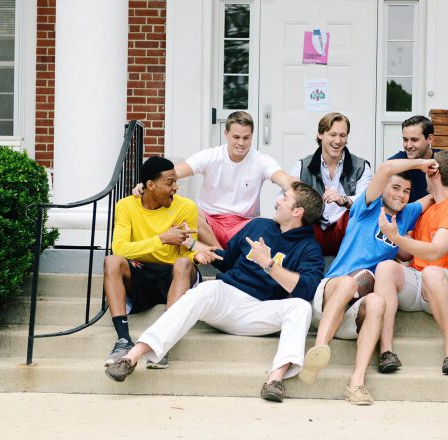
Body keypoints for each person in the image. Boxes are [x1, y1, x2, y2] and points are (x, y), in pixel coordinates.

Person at [104, 182, 325, 403]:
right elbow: (227, 259)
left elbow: (306, 288)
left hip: (260, 311)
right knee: (204, 290)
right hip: (227, 298)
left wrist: (269, 265)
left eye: (284, 198)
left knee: (301, 307)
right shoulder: (259, 226)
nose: (277, 201)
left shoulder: (309, 248)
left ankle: (276, 379)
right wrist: (192, 244)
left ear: (297, 212)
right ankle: (131, 358)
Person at [298, 158, 437, 405]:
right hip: (330, 295)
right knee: (353, 282)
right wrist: (422, 163)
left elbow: (433, 197)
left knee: (376, 302)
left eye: (406, 191)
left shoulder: (408, 214)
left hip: (354, 313)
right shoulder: (367, 207)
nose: (401, 195)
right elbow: (385, 169)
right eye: (395, 188)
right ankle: (319, 350)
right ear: (382, 188)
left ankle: (357, 384)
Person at [103, 157, 218, 369]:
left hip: (173, 275)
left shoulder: (186, 207)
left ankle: (163, 341)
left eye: (176, 182)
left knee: (183, 263)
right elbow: (119, 248)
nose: (175, 188)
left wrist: (196, 256)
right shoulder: (126, 206)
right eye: (170, 182)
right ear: (150, 185)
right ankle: (123, 340)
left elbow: (185, 251)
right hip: (141, 272)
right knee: (112, 261)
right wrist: (162, 239)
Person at [135, 111, 295, 248]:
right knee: (188, 209)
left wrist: (296, 186)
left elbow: (282, 178)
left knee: (265, 224)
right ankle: (221, 255)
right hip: (208, 224)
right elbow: (176, 171)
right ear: (226, 134)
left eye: (246, 138)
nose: (241, 143)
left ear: (252, 136)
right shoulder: (211, 156)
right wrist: (148, 182)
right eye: (236, 137)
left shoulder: (261, 160)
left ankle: (225, 257)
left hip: (242, 225)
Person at [376, 150, 448, 376]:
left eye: (427, 169)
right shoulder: (428, 208)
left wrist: (397, 237)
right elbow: (409, 254)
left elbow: (436, 251)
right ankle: (386, 351)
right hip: (418, 282)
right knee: (386, 268)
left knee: (432, 272)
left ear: (434, 172)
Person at [290, 112, 372, 255]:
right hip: (313, 228)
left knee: (358, 215)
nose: (338, 140)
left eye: (342, 135)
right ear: (320, 135)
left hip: (345, 231)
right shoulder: (302, 166)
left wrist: (343, 200)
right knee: (293, 214)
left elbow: (366, 199)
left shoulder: (361, 166)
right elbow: (284, 198)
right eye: (332, 134)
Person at [389, 115, 448, 204]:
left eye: (414, 140)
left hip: (438, 215)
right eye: (405, 140)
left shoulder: (443, 159)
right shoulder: (399, 159)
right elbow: (385, 169)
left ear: (430, 139)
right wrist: (420, 164)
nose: (408, 145)